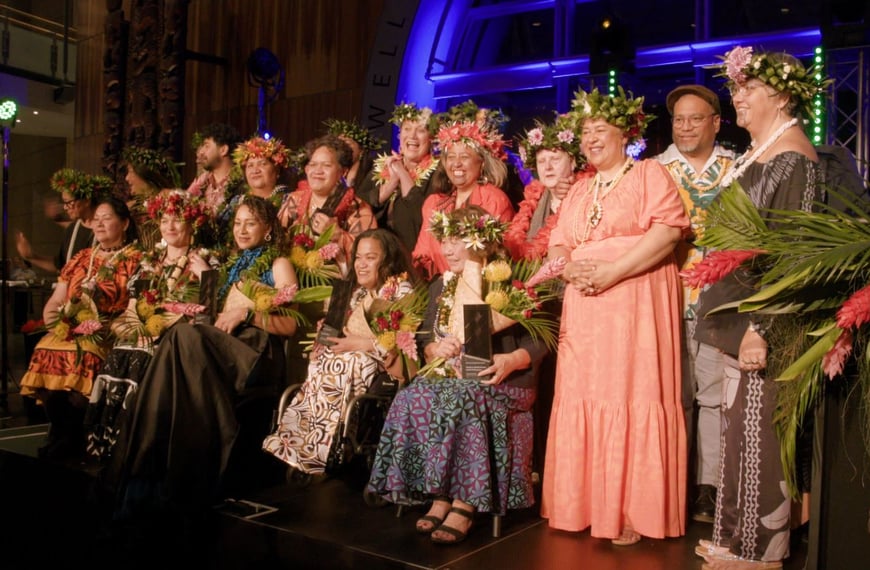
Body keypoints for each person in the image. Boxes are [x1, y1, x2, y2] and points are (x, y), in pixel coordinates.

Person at [693, 46, 829, 570]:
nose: (738, 97)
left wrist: (761, 328)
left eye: (747, 88)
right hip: (737, 317)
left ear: (780, 93)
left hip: (760, 322)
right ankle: (733, 536)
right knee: (737, 434)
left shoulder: (792, 156)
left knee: (759, 437)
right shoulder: (762, 152)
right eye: (735, 87)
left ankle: (759, 551)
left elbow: (793, 256)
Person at [541, 86, 689, 545]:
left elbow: (668, 232)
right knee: (584, 393)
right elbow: (558, 242)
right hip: (586, 308)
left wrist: (612, 271)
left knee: (630, 393)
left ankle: (629, 509)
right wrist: (571, 270)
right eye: (584, 132)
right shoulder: (581, 188)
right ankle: (581, 504)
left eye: (599, 129)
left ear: (624, 131)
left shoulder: (649, 174)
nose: (590, 139)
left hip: (633, 300)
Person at [367, 206, 556, 545]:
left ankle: (464, 503)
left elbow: (544, 336)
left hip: (501, 380)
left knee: (464, 397)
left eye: (456, 241)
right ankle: (439, 493)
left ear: (479, 241)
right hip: (453, 377)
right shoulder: (442, 285)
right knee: (413, 395)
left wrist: (512, 359)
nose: (448, 249)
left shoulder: (507, 278)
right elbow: (426, 337)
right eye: (444, 241)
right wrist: (433, 350)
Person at [107, 195, 300, 522]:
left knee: (181, 337)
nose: (241, 229)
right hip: (219, 351)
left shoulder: (278, 263)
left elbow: (291, 324)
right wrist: (208, 277)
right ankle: (155, 471)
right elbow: (209, 319)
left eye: (250, 222)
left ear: (268, 229)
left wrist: (246, 314)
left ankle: (148, 463)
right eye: (237, 223)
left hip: (254, 353)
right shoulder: (227, 265)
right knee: (179, 339)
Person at [262, 228, 420, 475]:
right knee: (322, 360)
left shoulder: (401, 292)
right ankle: (299, 442)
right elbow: (340, 335)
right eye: (358, 257)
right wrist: (324, 342)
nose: (362, 264)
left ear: (387, 260)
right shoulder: (355, 294)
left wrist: (359, 344)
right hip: (349, 357)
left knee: (351, 361)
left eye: (370, 257)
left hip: (384, 364)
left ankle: (331, 442)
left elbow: (400, 345)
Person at [655, 84, 736, 524]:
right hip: (665, 299)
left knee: (712, 397)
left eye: (695, 118)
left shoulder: (737, 168)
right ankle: (669, 484)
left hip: (718, 300)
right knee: (670, 396)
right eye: (678, 119)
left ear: (715, 123)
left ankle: (708, 486)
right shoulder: (653, 170)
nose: (685, 127)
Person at [84, 191, 216, 462]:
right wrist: (133, 330)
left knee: (141, 357)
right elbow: (133, 308)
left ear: (192, 224)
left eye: (177, 220)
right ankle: (109, 444)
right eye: (165, 220)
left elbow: (209, 313)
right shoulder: (148, 264)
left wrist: (205, 275)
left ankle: (139, 446)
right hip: (143, 333)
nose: (170, 226)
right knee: (120, 353)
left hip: (178, 337)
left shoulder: (206, 260)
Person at [18, 196, 141, 460]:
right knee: (45, 347)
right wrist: (57, 325)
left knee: (81, 354)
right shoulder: (81, 258)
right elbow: (55, 301)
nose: (99, 224)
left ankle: (76, 436)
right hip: (72, 329)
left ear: (125, 223)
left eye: (106, 218)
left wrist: (100, 326)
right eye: (96, 219)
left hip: (108, 331)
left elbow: (133, 307)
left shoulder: (135, 259)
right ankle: (63, 433)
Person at [411, 120, 514, 280]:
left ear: (482, 163)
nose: (456, 163)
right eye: (451, 157)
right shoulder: (433, 204)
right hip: (439, 288)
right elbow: (422, 254)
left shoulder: (494, 199)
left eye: (464, 157)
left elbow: (499, 254)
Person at [278, 134, 377, 259]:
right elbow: (275, 240)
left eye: (326, 165)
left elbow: (368, 256)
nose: (318, 171)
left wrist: (337, 234)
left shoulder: (358, 208)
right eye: (313, 165)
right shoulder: (294, 200)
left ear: (343, 172)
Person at [505, 113, 588, 262]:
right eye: (541, 161)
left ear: (573, 162)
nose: (547, 167)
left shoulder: (585, 195)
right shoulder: (533, 200)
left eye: (555, 159)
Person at [16, 169, 113, 275]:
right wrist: (31, 256)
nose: (65, 207)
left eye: (69, 202)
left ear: (86, 201)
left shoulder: (106, 230)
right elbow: (61, 266)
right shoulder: (72, 230)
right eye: (64, 202)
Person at [122, 146, 181, 249]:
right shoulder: (131, 206)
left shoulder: (171, 198)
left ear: (144, 173)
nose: (126, 178)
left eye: (130, 172)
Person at [187, 122, 243, 216]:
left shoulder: (241, 183)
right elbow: (186, 200)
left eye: (207, 146)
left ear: (223, 150)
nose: (201, 152)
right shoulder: (203, 181)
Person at [323, 117, 384, 200]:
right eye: (339, 145)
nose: (343, 148)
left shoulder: (374, 174)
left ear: (361, 150)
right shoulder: (331, 172)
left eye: (347, 144)